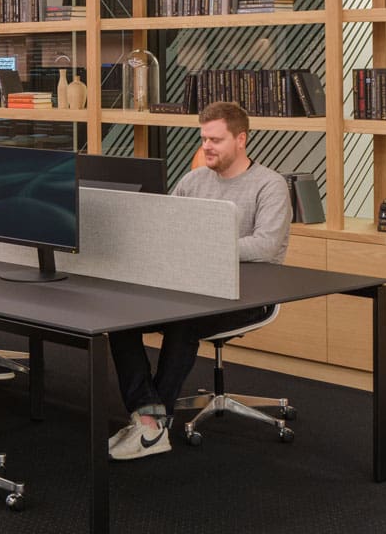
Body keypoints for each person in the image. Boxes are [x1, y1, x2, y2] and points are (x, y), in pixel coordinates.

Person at [107, 101, 291, 461]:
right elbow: (166, 227)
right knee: (120, 318)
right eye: (203, 138)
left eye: (216, 140)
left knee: (184, 323)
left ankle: (151, 426)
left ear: (241, 139)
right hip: (191, 286)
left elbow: (267, 245)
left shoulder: (269, 185)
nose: (206, 146)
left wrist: (203, 248)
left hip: (248, 295)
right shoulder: (193, 180)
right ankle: (150, 416)